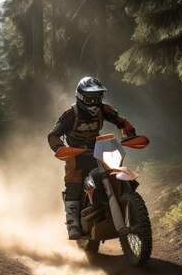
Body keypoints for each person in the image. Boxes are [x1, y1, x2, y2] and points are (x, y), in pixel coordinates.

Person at [47, 76, 136, 240]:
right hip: (76, 154)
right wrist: (61, 148)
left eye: (98, 97)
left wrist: (130, 132)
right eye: (91, 98)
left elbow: (120, 120)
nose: (95, 102)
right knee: (74, 182)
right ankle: (73, 224)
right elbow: (53, 135)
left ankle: (132, 207)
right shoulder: (70, 114)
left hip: (98, 150)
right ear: (81, 97)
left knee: (116, 173)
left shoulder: (104, 109)